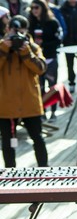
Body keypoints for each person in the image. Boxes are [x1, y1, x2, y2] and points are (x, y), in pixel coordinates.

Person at [0, 16, 48, 167]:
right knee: (7, 142)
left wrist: (26, 53)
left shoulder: (33, 48)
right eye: (12, 30)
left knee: (37, 138)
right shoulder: (1, 47)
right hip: (6, 105)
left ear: (26, 31)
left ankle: (44, 170)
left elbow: (41, 69)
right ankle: (10, 174)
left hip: (29, 103)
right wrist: (4, 49)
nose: (16, 34)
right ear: (7, 30)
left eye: (20, 30)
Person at [28, 0, 62, 122]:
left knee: (52, 86)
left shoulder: (52, 22)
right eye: (32, 8)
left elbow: (58, 40)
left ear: (43, 8)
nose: (34, 11)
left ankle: (53, 112)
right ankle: (42, 112)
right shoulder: (30, 23)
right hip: (36, 60)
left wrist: (43, 45)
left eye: (36, 7)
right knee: (39, 87)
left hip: (50, 58)